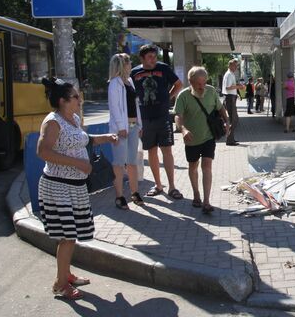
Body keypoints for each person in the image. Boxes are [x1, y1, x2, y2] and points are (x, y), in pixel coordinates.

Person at [36, 77, 118, 300]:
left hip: (75, 187)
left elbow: (83, 140)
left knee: (70, 236)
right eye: (75, 97)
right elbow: (43, 152)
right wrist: (79, 164)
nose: (79, 100)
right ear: (62, 100)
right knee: (68, 237)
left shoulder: (72, 118)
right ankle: (61, 284)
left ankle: (66, 274)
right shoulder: (52, 121)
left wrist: (106, 139)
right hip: (58, 187)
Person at [130, 44, 184, 199]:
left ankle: (172, 187)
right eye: (150, 57)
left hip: (162, 116)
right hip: (145, 119)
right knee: (151, 151)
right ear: (142, 58)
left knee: (167, 150)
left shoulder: (163, 68)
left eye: (155, 56)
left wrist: (168, 97)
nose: (153, 59)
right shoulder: (134, 73)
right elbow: (131, 97)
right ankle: (158, 185)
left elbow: (178, 84)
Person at [174, 66, 229, 214]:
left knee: (207, 166)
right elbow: (177, 116)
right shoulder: (183, 96)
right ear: (190, 81)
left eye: (204, 82)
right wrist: (183, 130)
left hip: (208, 137)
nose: (201, 86)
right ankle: (196, 194)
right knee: (193, 167)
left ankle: (206, 201)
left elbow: (220, 108)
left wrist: (227, 121)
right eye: (198, 83)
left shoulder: (211, 91)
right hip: (191, 139)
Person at [108, 53, 143, 210]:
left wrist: (140, 125)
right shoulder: (114, 84)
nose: (131, 64)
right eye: (128, 62)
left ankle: (135, 193)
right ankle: (119, 196)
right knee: (119, 163)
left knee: (132, 161)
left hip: (134, 125)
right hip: (121, 128)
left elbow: (135, 105)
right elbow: (115, 107)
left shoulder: (129, 82)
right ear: (122, 64)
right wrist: (121, 127)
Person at [222, 59, 244, 146]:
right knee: (234, 119)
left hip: (231, 97)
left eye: (237, 66)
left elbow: (230, 88)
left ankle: (231, 139)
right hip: (229, 98)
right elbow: (228, 87)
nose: (236, 67)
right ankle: (229, 139)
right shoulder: (229, 74)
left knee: (233, 119)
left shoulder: (230, 74)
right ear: (230, 65)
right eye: (235, 66)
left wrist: (236, 93)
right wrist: (239, 87)